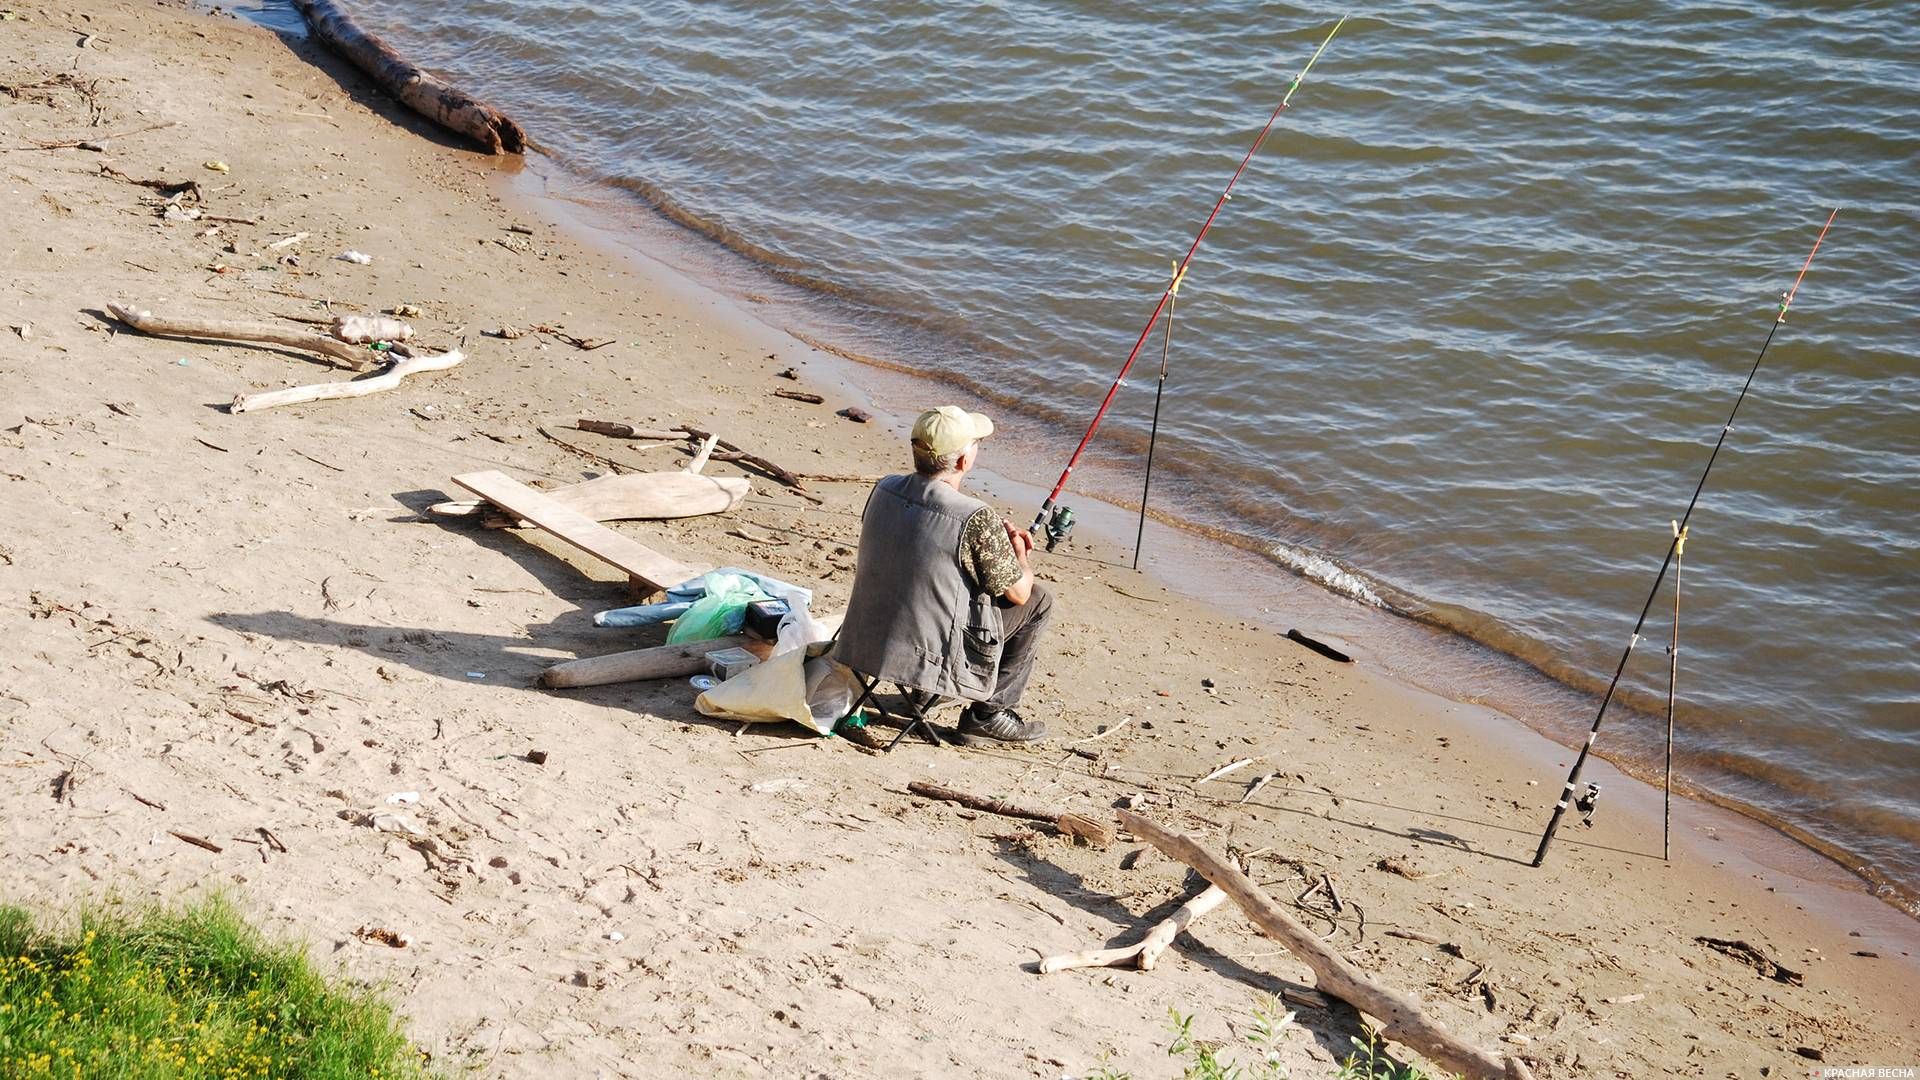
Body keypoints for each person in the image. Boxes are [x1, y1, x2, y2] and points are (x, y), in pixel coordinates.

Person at [836, 406, 1052, 744]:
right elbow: (1019, 594)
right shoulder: (974, 516)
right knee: (1039, 600)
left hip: (864, 644)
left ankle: (921, 695)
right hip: (930, 655)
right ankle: (989, 714)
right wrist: (1019, 555)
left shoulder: (884, 488)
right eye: (976, 444)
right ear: (964, 461)